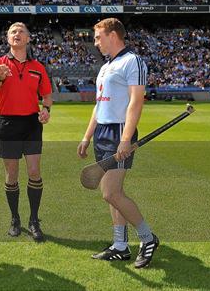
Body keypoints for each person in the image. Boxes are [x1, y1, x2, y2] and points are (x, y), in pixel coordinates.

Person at [77, 18, 158, 269]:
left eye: (98, 37)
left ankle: (148, 238)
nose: (95, 42)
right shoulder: (105, 67)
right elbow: (98, 105)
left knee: (110, 192)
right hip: (102, 132)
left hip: (119, 132)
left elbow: (136, 102)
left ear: (113, 35)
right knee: (113, 196)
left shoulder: (132, 61)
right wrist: (87, 136)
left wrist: (125, 140)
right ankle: (120, 246)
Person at [0, 22, 52, 242]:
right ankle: (15, 218)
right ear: (7, 39)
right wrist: (0, 77)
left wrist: (46, 110)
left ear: (28, 38)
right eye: (13, 32)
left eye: (21, 31)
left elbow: (47, 96)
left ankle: (34, 220)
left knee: (34, 172)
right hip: (7, 125)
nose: (17, 34)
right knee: (12, 175)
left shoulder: (38, 67)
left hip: (32, 124)